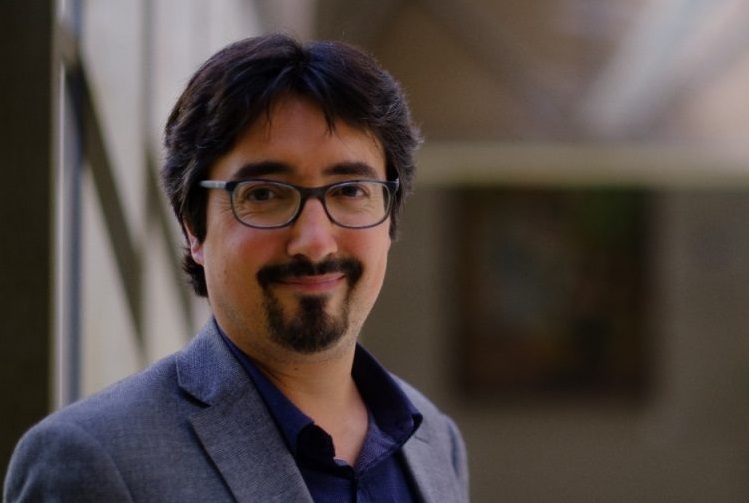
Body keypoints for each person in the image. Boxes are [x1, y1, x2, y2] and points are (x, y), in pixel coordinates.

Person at [4, 33, 468, 502]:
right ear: (194, 227)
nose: (314, 242)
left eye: (350, 191)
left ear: (389, 217)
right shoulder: (93, 461)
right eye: (264, 194)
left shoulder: (435, 442)